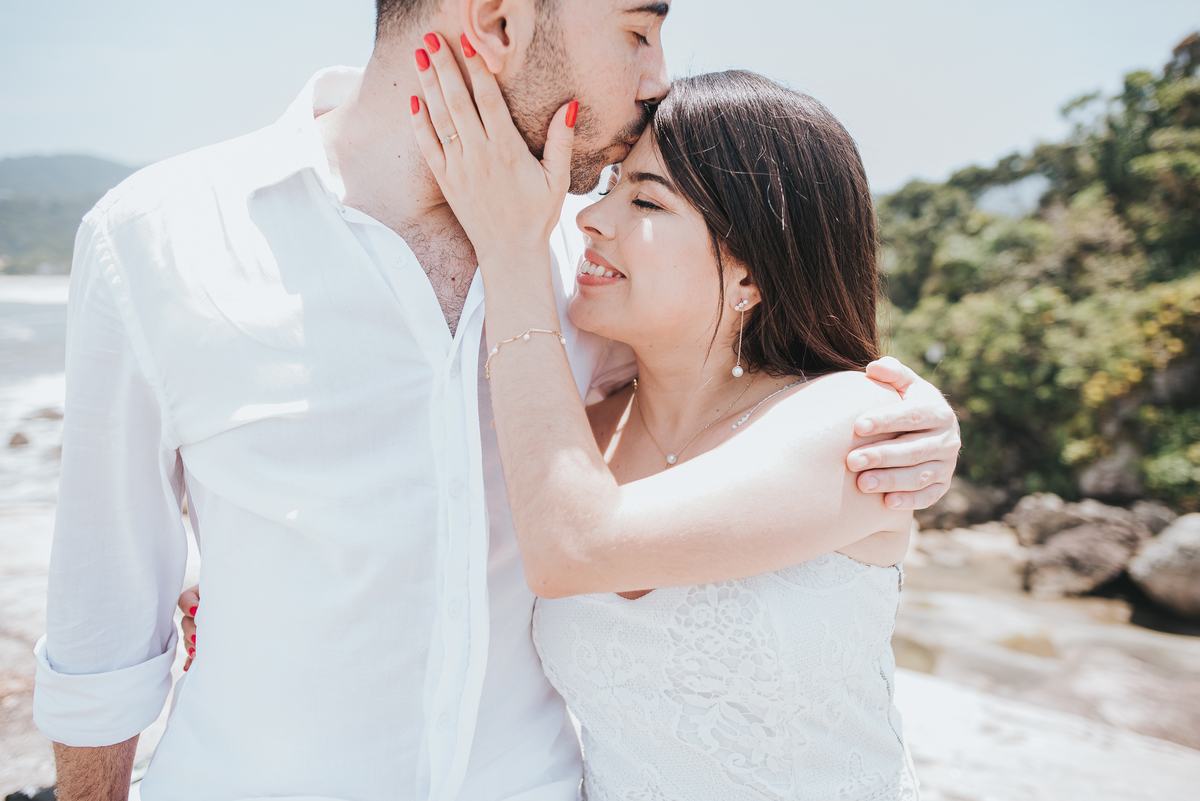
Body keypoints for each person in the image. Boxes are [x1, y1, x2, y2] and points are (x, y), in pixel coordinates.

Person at [34, 2, 957, 800]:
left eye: (649, 198)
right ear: (499, 23)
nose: (657, 78)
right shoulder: (161, 239)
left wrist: (914, 413)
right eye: (638, 30)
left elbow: (726, 389)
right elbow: (105, 615)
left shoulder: (577, 266)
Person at [400, 46, 921, 799]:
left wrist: (511, 252)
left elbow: (576, 547)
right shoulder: (582, 429)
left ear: (750, 271)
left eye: (645, 201)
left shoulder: (853, 422)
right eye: (609, 186)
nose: (590, 217)